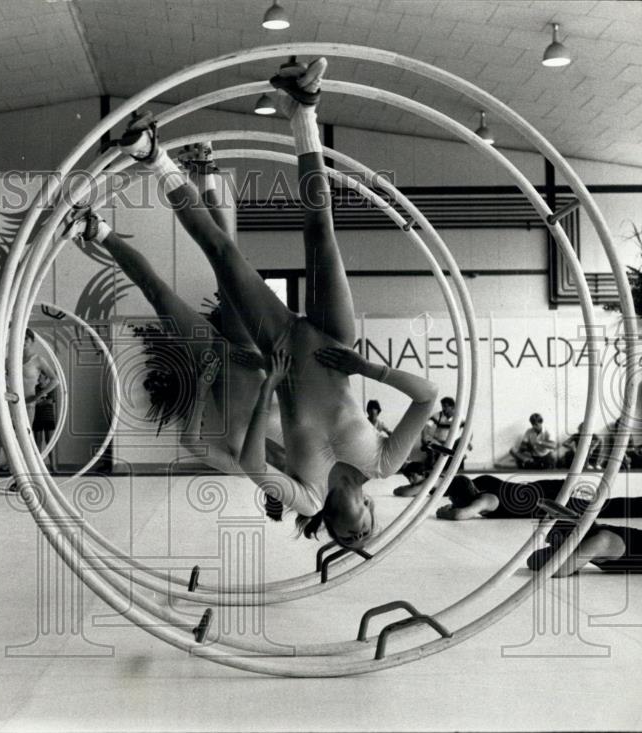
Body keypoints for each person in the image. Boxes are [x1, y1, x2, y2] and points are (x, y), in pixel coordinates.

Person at [112, 57, 438, 549]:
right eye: (365, 532)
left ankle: (153, 156)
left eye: (346, 537)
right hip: (335, 342)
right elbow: (428, 396)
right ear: (370, 510)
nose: (357, 531)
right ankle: (302, 110)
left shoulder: (306, 499)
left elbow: (250, 464)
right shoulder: (384, 464)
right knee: (321, 231)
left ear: (328, 527)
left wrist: (273, 385)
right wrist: (365, 367)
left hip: (280, 347)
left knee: (222, 254)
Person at [64, 142, 288, 518]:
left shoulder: (242, 467)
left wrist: (202, 385)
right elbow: (290, 376)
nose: (274, 485)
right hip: (246, 349)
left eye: (271, 492)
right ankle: (205, 168)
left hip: (213, 363)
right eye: (282, 490)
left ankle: (95, 228)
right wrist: (261, 362)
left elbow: (192, 442)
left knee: (158, 296)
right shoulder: (303, 441)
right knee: (226, 257)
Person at [433, 473, 642, 521]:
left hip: (547, 497)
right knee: (602, 506)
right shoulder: (484, 486)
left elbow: (461, 515)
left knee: (603, 509)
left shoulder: (486, 500)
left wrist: (445, 513)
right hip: (542, 491)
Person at [527, 520, 642, 576]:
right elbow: (532, 560)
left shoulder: (601, 540)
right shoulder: (582, 540)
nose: (548, 542)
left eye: (551, 538)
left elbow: (560, 570)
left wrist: (563, 560)